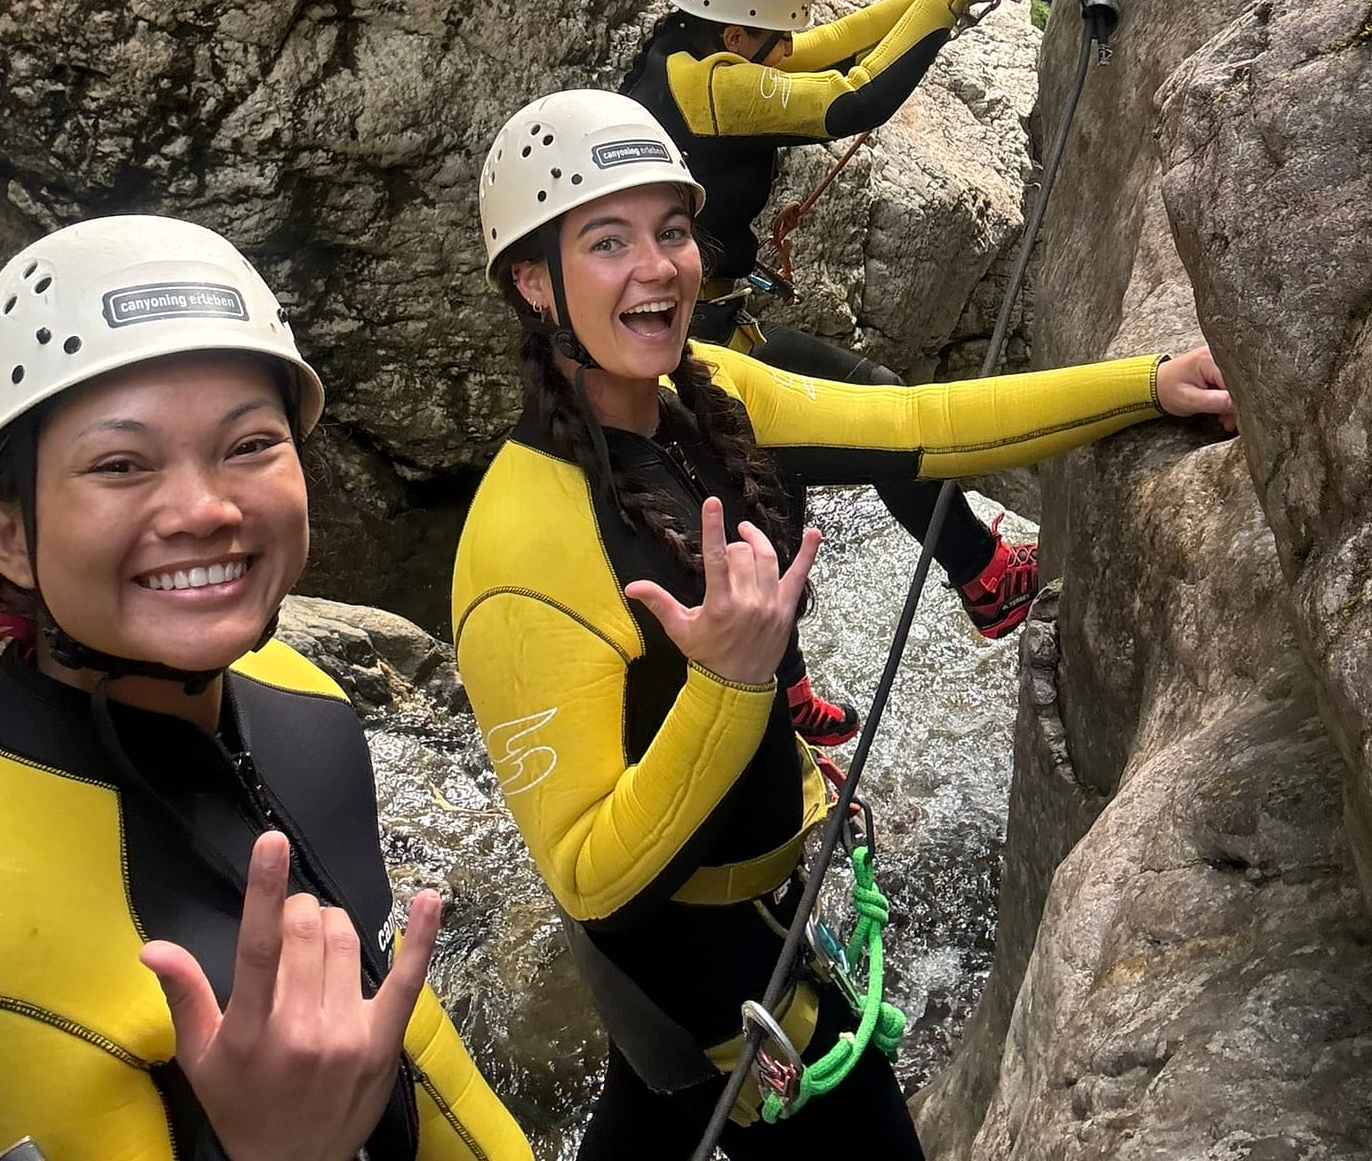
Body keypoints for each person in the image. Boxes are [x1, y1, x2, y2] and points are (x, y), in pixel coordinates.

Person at [453, 89, 1234, 1159]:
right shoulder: (518, 549)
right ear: (533, 282)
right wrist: (732, 683)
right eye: (607, 243)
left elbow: (916, 426)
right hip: (697, 967)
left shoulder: (703, 394)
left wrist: (1144, 385)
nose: (659, 268)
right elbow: (591, 877)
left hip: (755, 912)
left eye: (672, 232)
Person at [0, 216, 532, 1161]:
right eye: (121, 464)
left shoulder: (302, 701)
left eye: (249, 445)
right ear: (9, 532)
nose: (206, 510)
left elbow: (419, 1062)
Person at [621, 0, 1037, 745]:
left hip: (700, 330)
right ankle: (984, 577)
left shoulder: (682, 56)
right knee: (878, 410)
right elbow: (851, 98)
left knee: (770, 493)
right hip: (697, 343)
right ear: (736, 36)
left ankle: (785, 689)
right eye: (771, 42)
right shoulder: (713, 86)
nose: (785, 53)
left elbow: (825, 47)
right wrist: (942, 10)